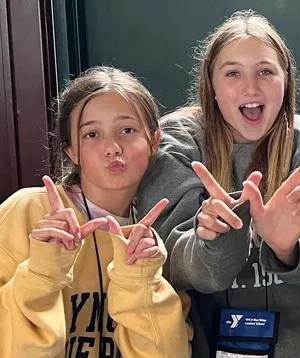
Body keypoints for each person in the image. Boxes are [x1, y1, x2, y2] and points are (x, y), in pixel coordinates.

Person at [136, 10, 300, 357]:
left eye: (265, 72)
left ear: (287, 81)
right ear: (212, 84)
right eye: (233, 73)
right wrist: (212, 241)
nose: (250, 87)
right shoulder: (179, 146)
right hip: (200, 345)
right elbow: (167, 267)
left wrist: (286, 248)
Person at [0, 66, 190, 357]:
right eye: (92, 134)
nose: (112, 148)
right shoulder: (28, 211)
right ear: (71, 151)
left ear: (153, 141)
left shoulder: (160, 234)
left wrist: (140, 278)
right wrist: (42, 271)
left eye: (127, 130)